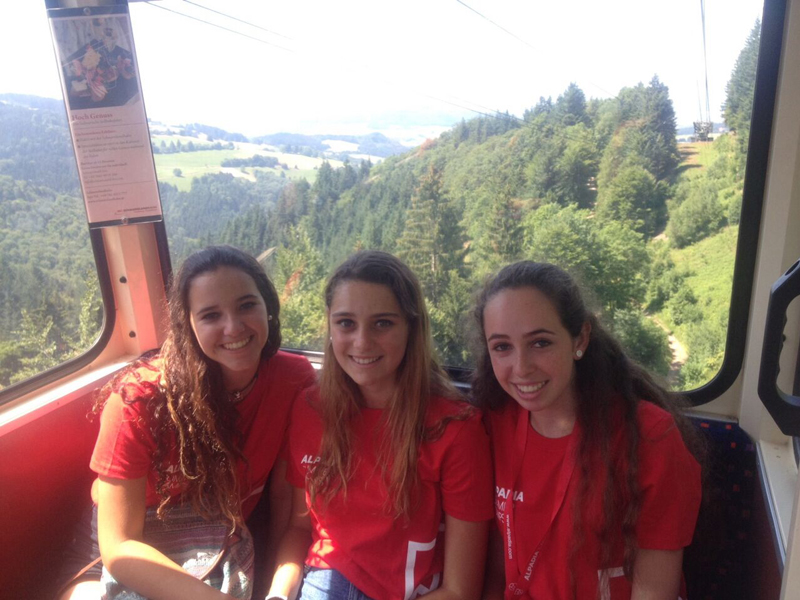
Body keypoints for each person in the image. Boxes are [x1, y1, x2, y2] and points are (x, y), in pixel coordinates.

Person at [57, 246, 316, 600]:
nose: (233, 327)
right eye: (210, 315)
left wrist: (277, 591)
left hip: (223, 543)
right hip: (124, 551)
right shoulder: (140, 399)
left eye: (246, 305)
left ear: (268, 307)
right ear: (188, 325)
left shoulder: (293, 380)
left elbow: (286, 503)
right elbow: (119, 546)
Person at [267, 250, 494, 600]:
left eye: (383, 323)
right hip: (322, 581)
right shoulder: (311, 409)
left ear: (411, 328)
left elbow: (460, 590)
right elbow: (300, 528)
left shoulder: (455, 428)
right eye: (346, 323)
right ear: (330, 326)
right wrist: (278, 594)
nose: (362, 342)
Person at [473, 261, 703, 600]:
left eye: (540, 343)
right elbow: (496, 570)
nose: (521, 368)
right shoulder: (494, 424)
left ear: (580, 338)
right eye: (502, 347)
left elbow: (653, 590)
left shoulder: (650, 437)